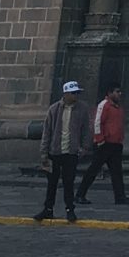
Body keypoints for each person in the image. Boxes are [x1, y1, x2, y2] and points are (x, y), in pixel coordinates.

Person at [36, 81, 91, 222]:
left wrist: (84, 147)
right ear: (66, 94)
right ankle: (48, 208)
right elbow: (47, 131)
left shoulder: (82, 109)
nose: (76, 95)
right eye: (73, 93)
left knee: (69, 182)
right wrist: (43, 152)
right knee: (52, 183)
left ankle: (69, 209)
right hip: (55, 151)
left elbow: (86, 130)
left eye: (77, 93)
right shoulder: (54, 109)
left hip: (71, 152)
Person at [77, 85, 129, 207]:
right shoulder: (105, 105)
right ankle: (80, 194)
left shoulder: (118, 108)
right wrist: (100, 139)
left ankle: (120, 197)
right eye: (117, 91)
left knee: (117, 172)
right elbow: (97, 122)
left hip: (116, 144)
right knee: (93, 170)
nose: (120, 94)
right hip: (104, 144)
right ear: (110, 93)